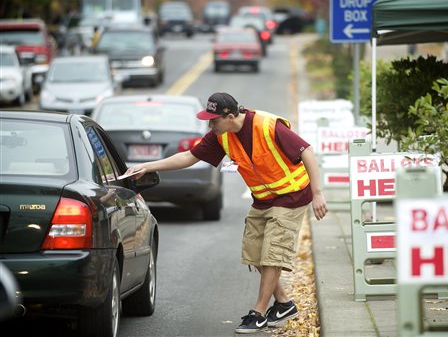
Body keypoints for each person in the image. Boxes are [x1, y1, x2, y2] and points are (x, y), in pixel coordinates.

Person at [125, 92, 328, 333]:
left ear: (230, 116)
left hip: (292, 196)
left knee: (272, 254)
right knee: (254, 254)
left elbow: (307, 151)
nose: (210, 125)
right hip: (263, 200)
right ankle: (284, 304)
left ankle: (259, 313)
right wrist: (148, 166)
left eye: (214, 120)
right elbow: (189, 157)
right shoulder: (221, 136)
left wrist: (317, 193)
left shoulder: (267, 126)